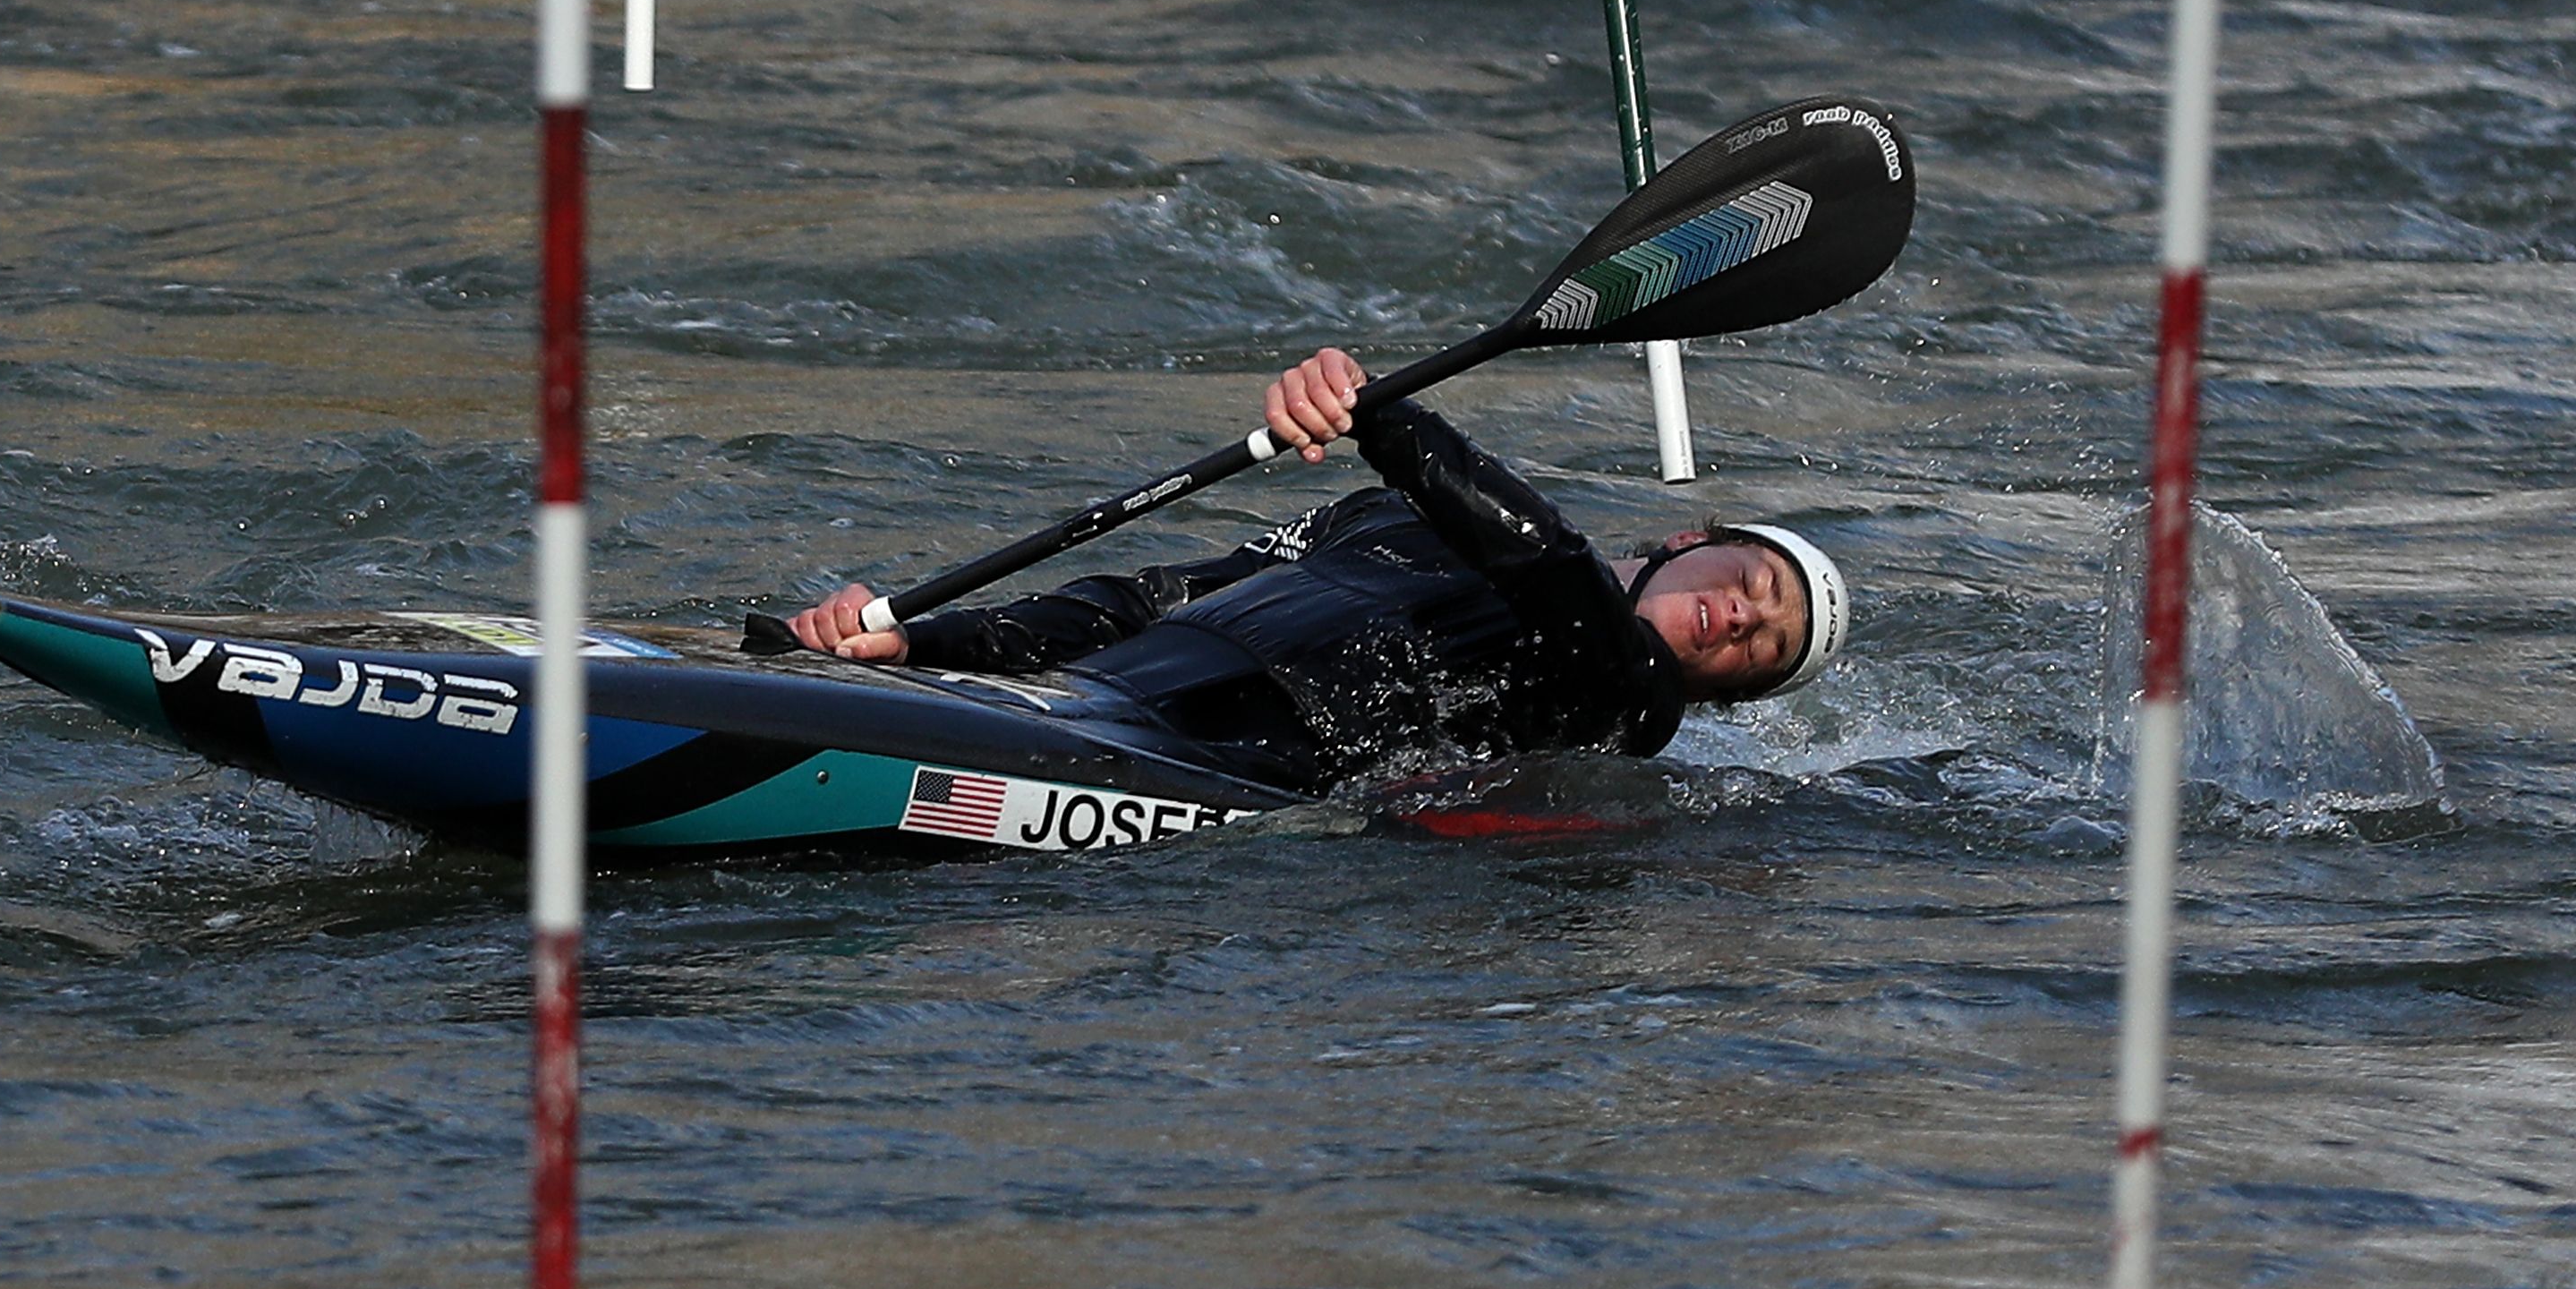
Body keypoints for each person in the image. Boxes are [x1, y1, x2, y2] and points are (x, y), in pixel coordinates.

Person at [788, 346, 1850, 798]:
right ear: (1687, 541)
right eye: (1753, 581)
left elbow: (1551, 568)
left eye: (1761, 647)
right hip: (1082, 701)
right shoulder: (1386, 512)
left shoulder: (1627, 705)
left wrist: (1381, 410)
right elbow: (1152, 600)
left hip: (1193, 768)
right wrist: (915, 644)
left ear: (1728, 691)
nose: (1739, 618)